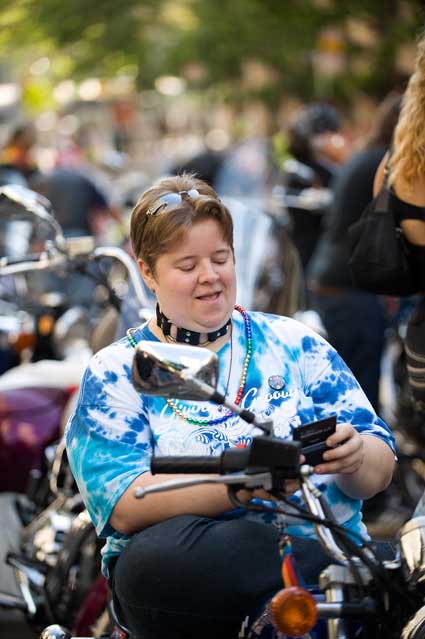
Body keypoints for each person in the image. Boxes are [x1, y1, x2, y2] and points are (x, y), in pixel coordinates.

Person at [65, 174, 395, 639]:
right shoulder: (118, 369)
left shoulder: (295, 342)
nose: (210, 276)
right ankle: (356, 576)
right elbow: (123, 502)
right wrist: (240, 486)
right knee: (160, 558)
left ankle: (334, 583)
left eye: (221, 258)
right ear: (147, 271)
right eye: (187, 265)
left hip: (323, 551)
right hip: (195, 574)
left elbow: (379, 473)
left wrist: (356, 454)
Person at [307, 92, 402, 413]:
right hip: (350, 287)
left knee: (349, 384)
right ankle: (367, 456)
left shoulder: (366, 157)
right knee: (361, 393)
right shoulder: (386, 163)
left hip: (333, 279)